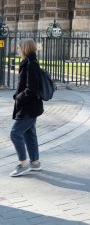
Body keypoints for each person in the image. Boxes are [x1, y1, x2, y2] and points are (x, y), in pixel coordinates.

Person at [10, 38, 43, 177]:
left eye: (19, 47)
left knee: (15, 133)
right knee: (29, 133)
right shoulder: (28, 64)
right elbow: (26, 86)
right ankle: (35, 163)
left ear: (25, 48)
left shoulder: (31, 65)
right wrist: (16, 94)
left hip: (29, 107)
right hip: (30, 105)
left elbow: (32, 89)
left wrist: (19, 97)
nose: (17, 50)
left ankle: (23, 164)